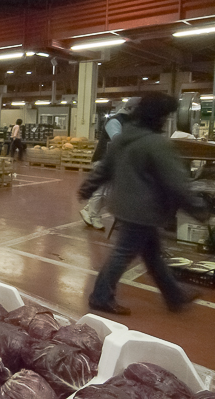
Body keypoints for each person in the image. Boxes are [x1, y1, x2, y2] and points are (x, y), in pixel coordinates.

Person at [78, 92, 206, 315]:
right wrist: (199, 208)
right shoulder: (156, 143)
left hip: (126, 207)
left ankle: (174, 296)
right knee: (123, 254)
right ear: (159, 117)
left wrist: (87, 187)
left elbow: (105, 167)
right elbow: (176, 183)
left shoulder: (124, 137)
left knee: (152, 255)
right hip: (144, 211)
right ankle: (100, 296)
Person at [80, 97, 141, 230]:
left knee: (109, 192)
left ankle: (88, 210)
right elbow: (118, 140)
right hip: (103, 160)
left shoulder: (132, 122)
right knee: (100, 191)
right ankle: (94, 216)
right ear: (130, 108)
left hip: (116, 161)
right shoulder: (114, 121)